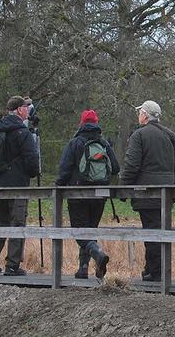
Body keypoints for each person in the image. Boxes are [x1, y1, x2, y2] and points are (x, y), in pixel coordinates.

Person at [120, 100, 175, 282]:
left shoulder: (139, 136)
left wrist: (124, 189)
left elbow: (131, 165)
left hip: (147, 192)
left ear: (145, 115)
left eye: (140, 112)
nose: (138, 115)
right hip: (167, 192)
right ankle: (157, 270)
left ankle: (154, 272)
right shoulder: (170, 135)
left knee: (151, 233)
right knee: (161, 231)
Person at [55, 109, 120, 279]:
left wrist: (58, 186)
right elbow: (116, 168)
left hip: (77, 195)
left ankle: (97, 254)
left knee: (79, 231)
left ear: (82, 123)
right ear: (97, 123)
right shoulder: (103, 143)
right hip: (99, 197)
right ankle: (83, 268)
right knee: (90, 231)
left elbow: (64, 170)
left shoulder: (75, 143)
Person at [0, 96, 41, 276]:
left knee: (1, 222)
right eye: (25, 107)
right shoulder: (21, 132)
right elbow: (32, 159)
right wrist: (32, 173)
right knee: (17, 223)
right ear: (18, 110)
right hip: (17, 184)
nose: (28, 110)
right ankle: (12, 265)